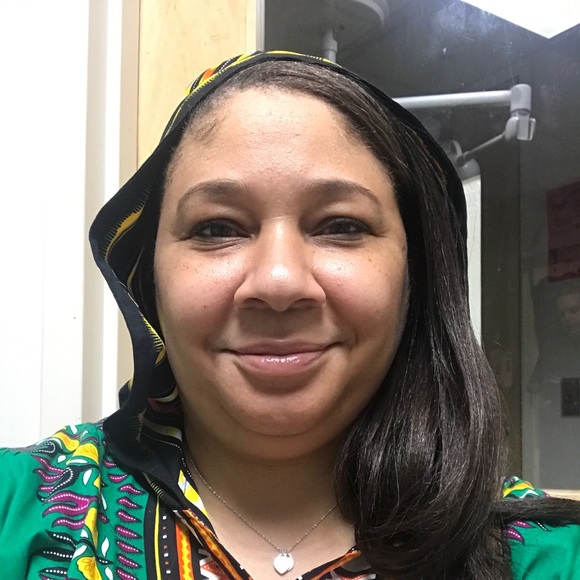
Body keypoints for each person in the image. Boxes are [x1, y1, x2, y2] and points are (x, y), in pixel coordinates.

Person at [1, 51, 579, 580]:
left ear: (415, 273)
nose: (278, 283)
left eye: (341, 226)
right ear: (147, 278)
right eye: (217, 228)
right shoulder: (15, 511)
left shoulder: (548, 557)